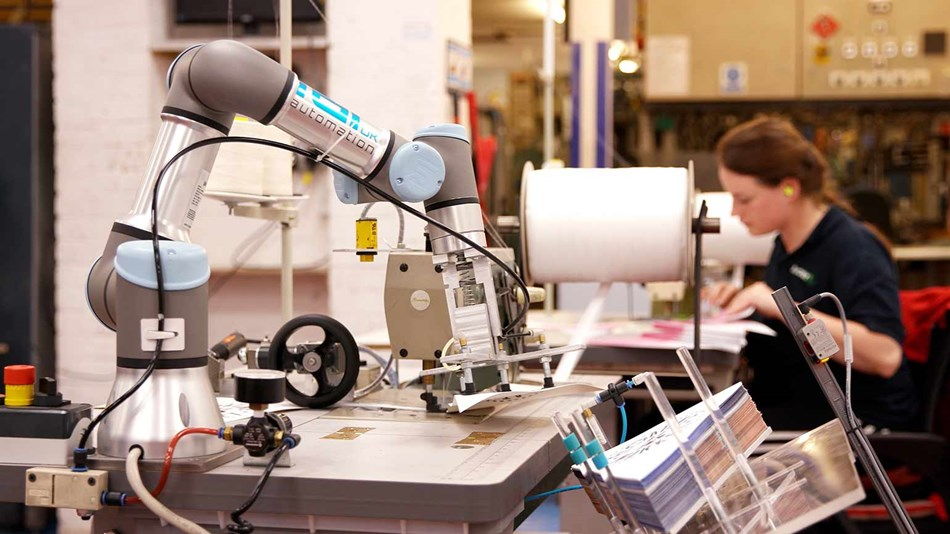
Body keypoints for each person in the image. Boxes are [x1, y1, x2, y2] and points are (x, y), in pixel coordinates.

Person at [703, 117, 917, 431]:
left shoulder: (854, 248)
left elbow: (885, 357)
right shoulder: (786, 245)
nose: (735, 211)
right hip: (798, 406)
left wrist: (782, 307)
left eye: (744, 199)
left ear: (789, 188)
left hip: (856, 421)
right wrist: (742, 301)